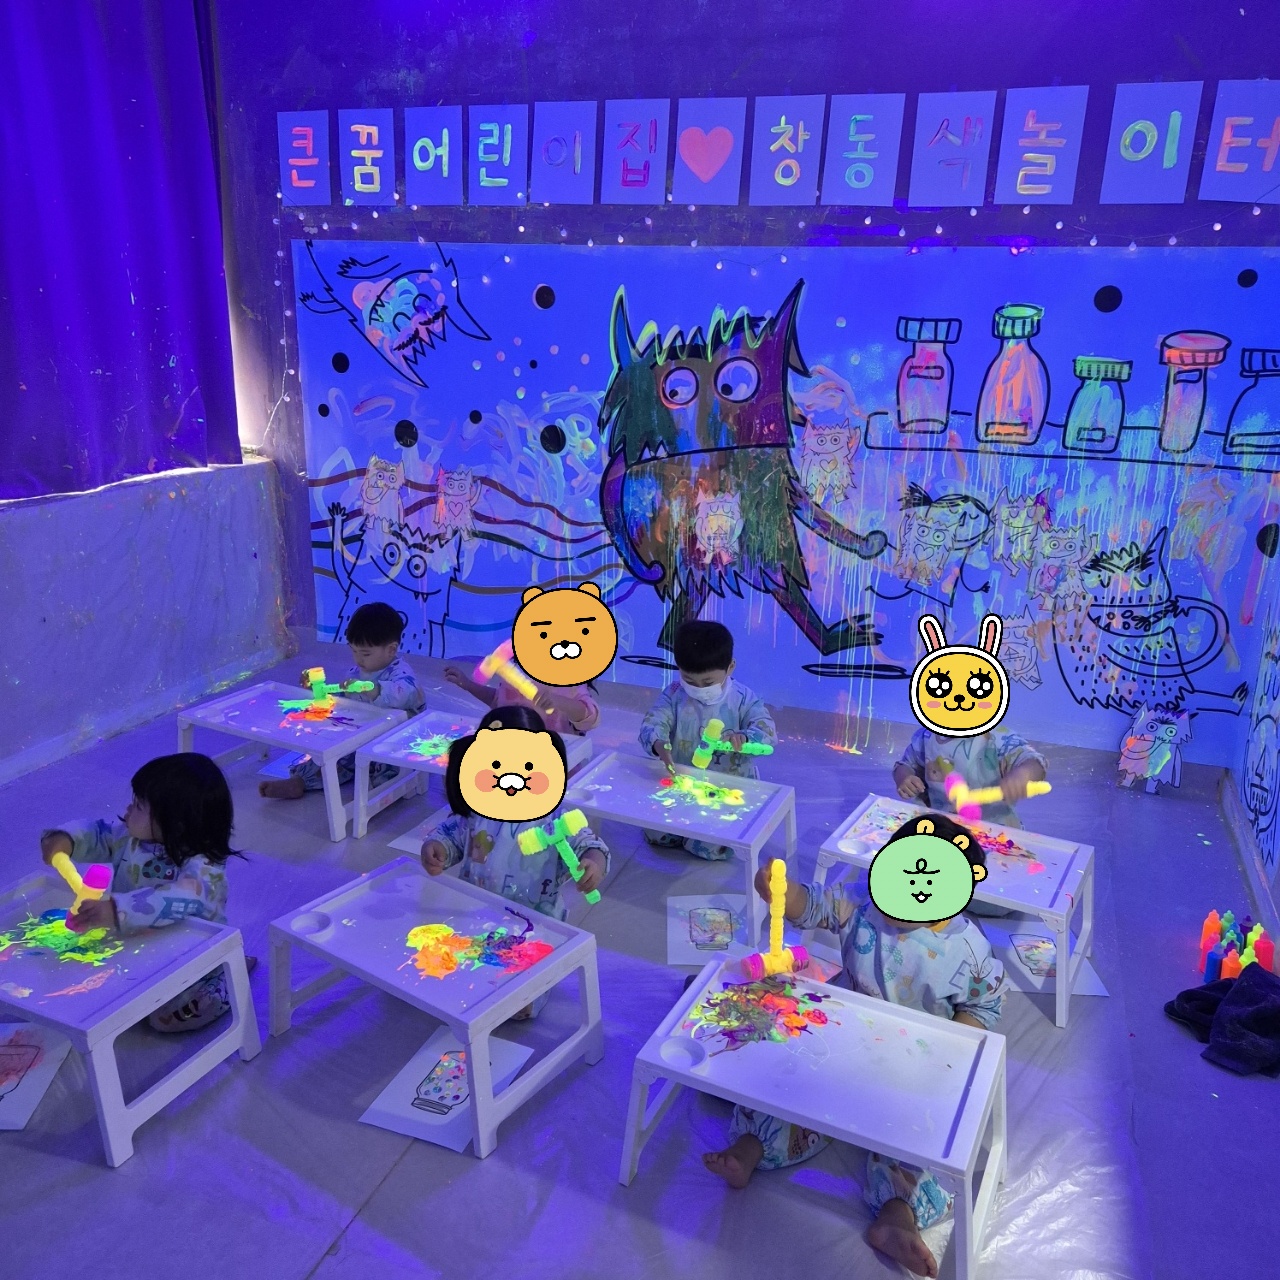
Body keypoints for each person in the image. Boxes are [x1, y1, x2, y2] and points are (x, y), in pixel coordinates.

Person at [704, 812, 1007, 1279]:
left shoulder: (970, 949)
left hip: (913, 1061)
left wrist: (953, 1048)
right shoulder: (864, 904)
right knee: (787, 1081)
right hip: (839, 1035)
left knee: (912, 1137)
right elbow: (816, 906)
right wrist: (782, 892)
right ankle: (751, 1147)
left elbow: (984, 1006)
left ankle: (897, 1216)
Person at [420, 705, 608, 1019]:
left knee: (520, 1002)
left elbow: (589, 843)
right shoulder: (478, 809)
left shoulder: (555, 817)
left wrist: (593, 863)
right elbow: (451, 833)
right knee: (450, 975)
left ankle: (531, 992)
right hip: (477, 912)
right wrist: (435, 848)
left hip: (536, 920)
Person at [40, 753, 249, 1033]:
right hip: (141, 943)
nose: (128, 809)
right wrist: (66, 839)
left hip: (192, 951)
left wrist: (117, 910)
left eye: (138, 805)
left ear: (174, 824)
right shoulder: (129, 837)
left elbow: (183, 897)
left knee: (164, 1018)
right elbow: (100, 834)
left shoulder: (204, 866)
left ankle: (224, 977)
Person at [637, 620, 776, 860]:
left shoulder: (743, 699)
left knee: (706, 846)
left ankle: (713, 838)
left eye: (708, 683)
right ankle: (687, 829)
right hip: (685, 781)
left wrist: (745, 737)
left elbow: (768, 732)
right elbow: (654, 721)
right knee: (656, 834)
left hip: (727, 786)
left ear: (730, 668)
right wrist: (659, 743)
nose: (698, 688)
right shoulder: (674, 694)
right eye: (689, 680)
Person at [260, 601, 425, 800]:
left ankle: (383, 791)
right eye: (354, 651)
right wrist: (318, 691)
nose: (358, 659)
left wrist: (373, 689)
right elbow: (345, 702)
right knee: (330, 757)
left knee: (387, 768)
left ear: (391, 650)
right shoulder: (356, 673)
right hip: (364, 734)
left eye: (365, 653)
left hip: (394, 741)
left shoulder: (400, 673)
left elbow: (408, 694)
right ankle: (299, 782)